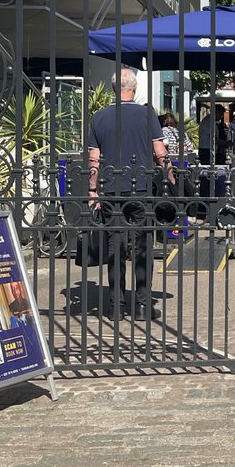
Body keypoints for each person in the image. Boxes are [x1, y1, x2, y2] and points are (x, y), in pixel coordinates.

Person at [87, 66, 171, 320]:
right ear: (133, 89)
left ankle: (116, 306)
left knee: (115, 246)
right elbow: (159, 152)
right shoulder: (147, 115)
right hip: (141, 187)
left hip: (112, 189)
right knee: (144, 245)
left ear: (114, 88)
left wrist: (93, 190)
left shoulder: (99, 117)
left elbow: (94, 158)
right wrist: (170, 176)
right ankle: (144, 304)